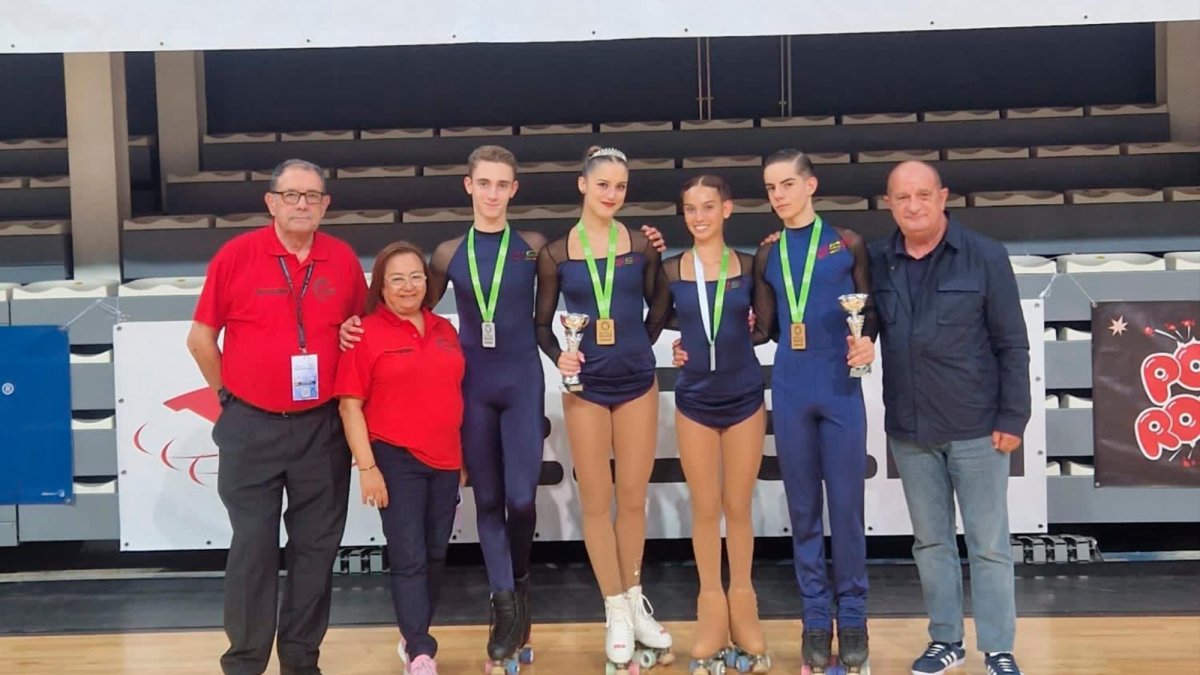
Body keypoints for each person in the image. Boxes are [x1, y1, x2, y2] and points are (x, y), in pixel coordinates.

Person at [338, 145, 666, 672]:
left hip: (521, 383)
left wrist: (649, 243)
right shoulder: (446, 253)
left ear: (514, 190)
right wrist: (356, 321)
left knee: (521, 500)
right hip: (475, 390)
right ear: (469, 186)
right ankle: (504, 609)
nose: (492, 193)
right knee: (487, 500)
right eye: (483, 183)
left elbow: (562, 301)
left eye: (502, 185)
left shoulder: (536, 248)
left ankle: (518, 588)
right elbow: (407, 303)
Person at [186, 158, 367, 675]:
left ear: (326, 205)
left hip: (322, 427)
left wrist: (351, 333)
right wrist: (229, 398)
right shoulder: (236, 256)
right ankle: (244, 664)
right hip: (251, 426)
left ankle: (301, 663)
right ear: (271, 202)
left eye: (313, 196)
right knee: (253, 550)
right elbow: (200, 338)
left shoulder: (342, 259)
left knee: (315, 552)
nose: (303, 204)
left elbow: (358, 327)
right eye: (292, 195)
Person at [869, 160, 1030, 675]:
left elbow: (1013, 343)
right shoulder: (876, 262)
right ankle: (946, 641)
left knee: (988, 544)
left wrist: (1014, 415)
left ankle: (999, 647)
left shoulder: (984, 256)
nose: (913, 206)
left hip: (978, 427)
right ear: (888, 203)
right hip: (911, 430)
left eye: (922, 195)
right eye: (902, 198)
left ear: (943, 198)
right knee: (930, 543)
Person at [534, 146, 673, 673]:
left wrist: (641, 340)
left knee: (633, 499)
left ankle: (635, 602)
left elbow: (660, 302)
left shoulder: (641, 245)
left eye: (620, 186)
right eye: (603, 185)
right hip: (584, 388)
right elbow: (542, 324)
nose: (612, 194)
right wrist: (560, 355)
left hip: (637, 382)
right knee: (596, 500)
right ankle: (613, 608)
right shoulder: (555, 254)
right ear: (582, 185)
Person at [749, 149, 876, 674]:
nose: (778, 195)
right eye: (770, 187)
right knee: (802, 513)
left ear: (810, 185)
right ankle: (814, 619)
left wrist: (867, 342)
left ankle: (853, 618)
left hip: (842, 389)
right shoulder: (767, 253)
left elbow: (872, 314)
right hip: (793, 388)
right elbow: (764, 329)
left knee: (845, 509)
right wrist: (694, 340)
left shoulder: (847, 244)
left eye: (786, 185)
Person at [335, 241, 466, 675]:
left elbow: (455, 393)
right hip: (395, 459)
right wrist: (368, 468)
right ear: (381, 287)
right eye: (397, 279)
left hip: (445, 461)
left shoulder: (445, 329)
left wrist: (462, 457)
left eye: (416, 276)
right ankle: (421, 649)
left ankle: (413, 638)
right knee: (409, 555)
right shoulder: (364, 333)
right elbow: (349, 405)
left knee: (433, 555)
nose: (408, 286)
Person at [659, 175, 771, 674]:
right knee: (705, 510)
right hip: (695, 403)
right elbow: (659, 322)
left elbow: (766, 328)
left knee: (738, 507)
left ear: (728, 209)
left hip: (745, 398)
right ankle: (710, 608)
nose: (699, 217)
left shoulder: (750, 266)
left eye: (708, 207)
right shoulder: (668, 271)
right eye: (690, 209)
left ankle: (743, 603)